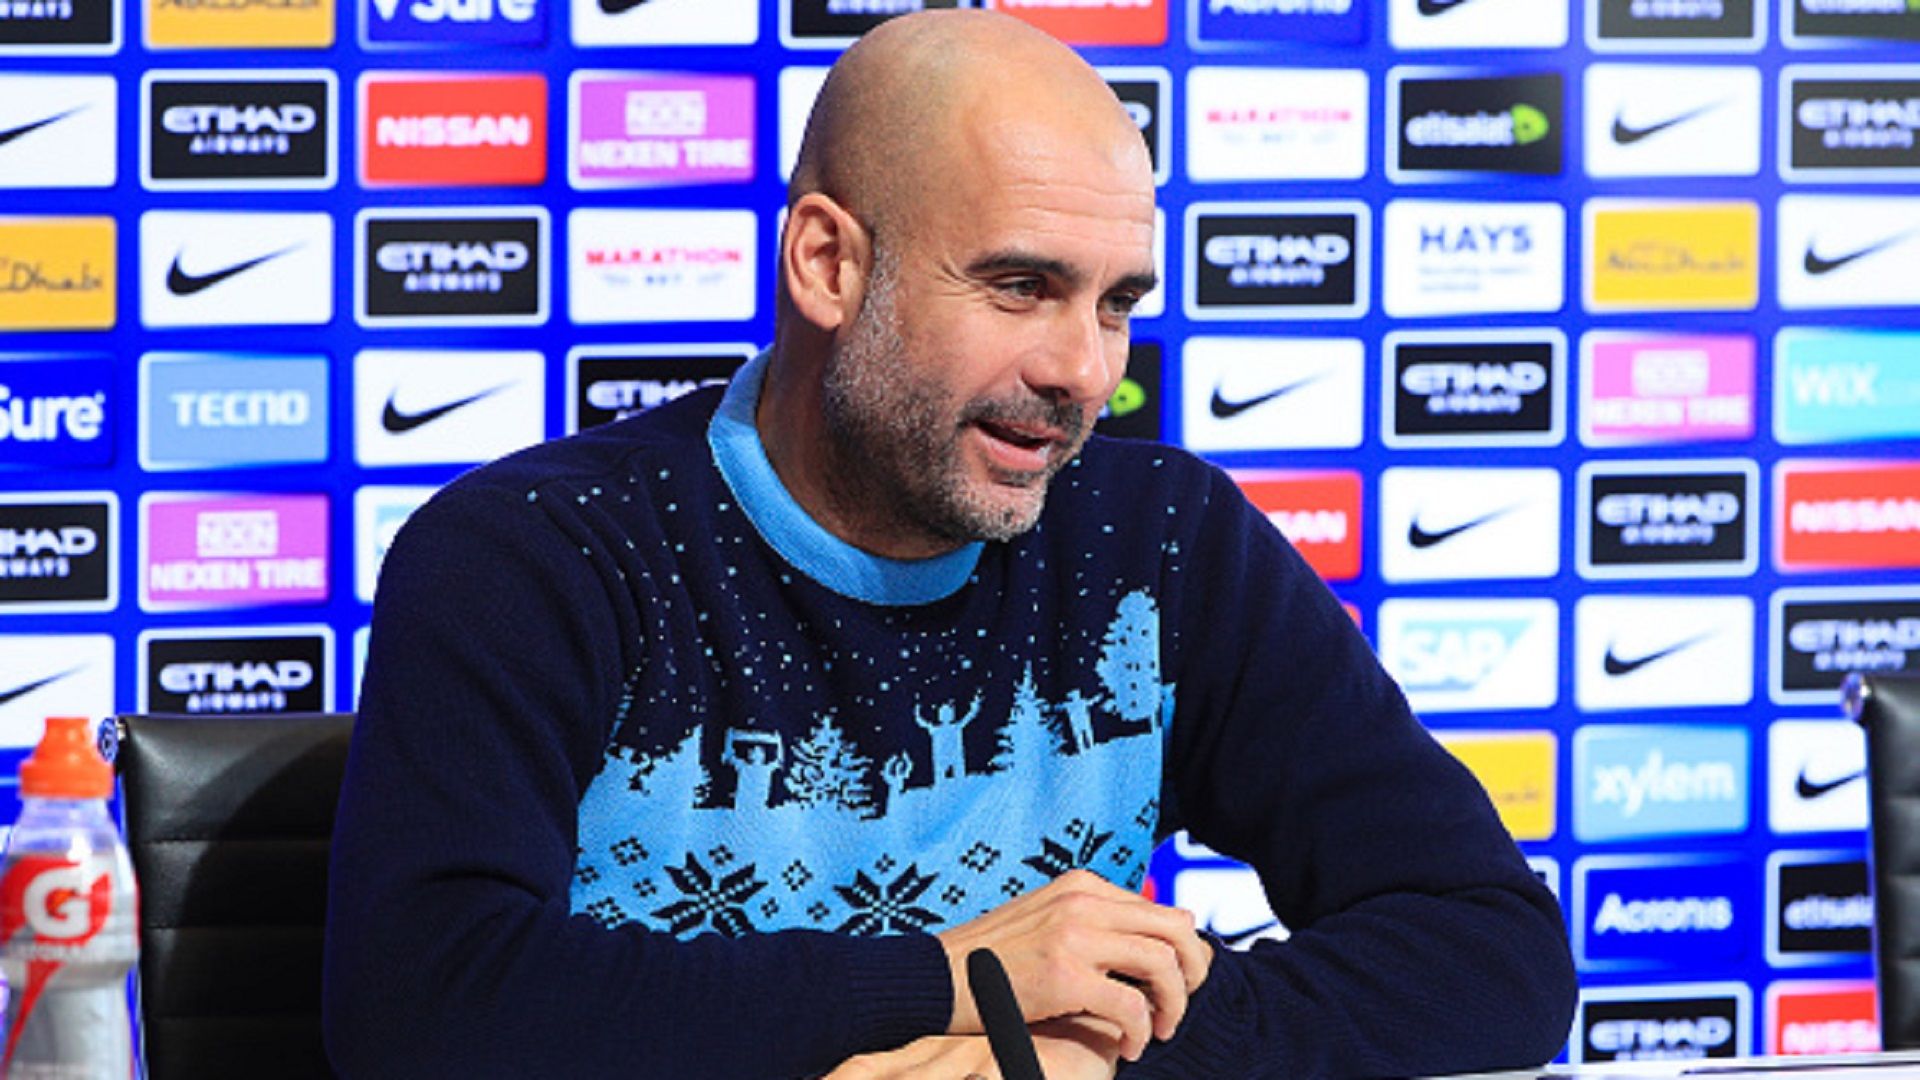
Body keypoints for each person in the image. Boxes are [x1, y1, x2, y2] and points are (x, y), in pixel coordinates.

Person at [322, 11, 1577, 1078]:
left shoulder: (1165, 543)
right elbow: (422, 999)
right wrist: (951, 980)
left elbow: (1493, 948)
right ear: (828, 264)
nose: (1081, 372)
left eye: (1116, 303)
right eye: (1020, 286)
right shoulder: (537, 555)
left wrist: (1084, 1048)